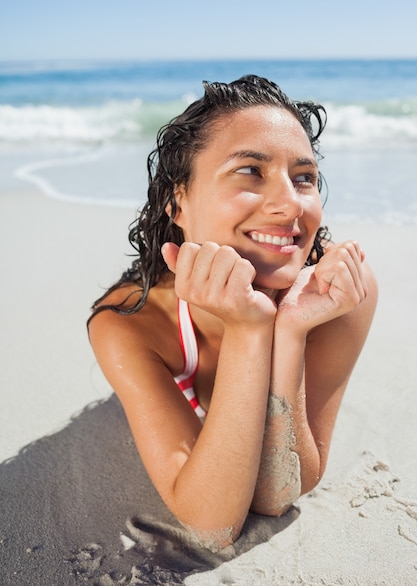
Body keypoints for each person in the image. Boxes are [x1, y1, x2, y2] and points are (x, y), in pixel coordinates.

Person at [88, 75, 377, 551]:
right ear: (177, 201)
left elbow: (279, 495)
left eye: (303, 177)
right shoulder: (132, 323)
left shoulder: (340, 292)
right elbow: (211, 522)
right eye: (249, 171)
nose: (289, 205)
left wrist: (289, 333)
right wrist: (248, 328)